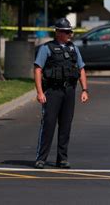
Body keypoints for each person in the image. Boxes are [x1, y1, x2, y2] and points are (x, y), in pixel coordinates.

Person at [33, 18, 89, 169]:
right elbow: (38, 69)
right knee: (48, 124)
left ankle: (62, 159)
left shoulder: (73, 49)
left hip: (69, 91)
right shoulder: (47, 48)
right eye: (66, 31)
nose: (69, 34)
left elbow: (81, 68)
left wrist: (84, 89)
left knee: (65, 126)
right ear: (58, 32)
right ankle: (41, 158)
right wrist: (39, 92)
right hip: (52, 91)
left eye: (70, 31)